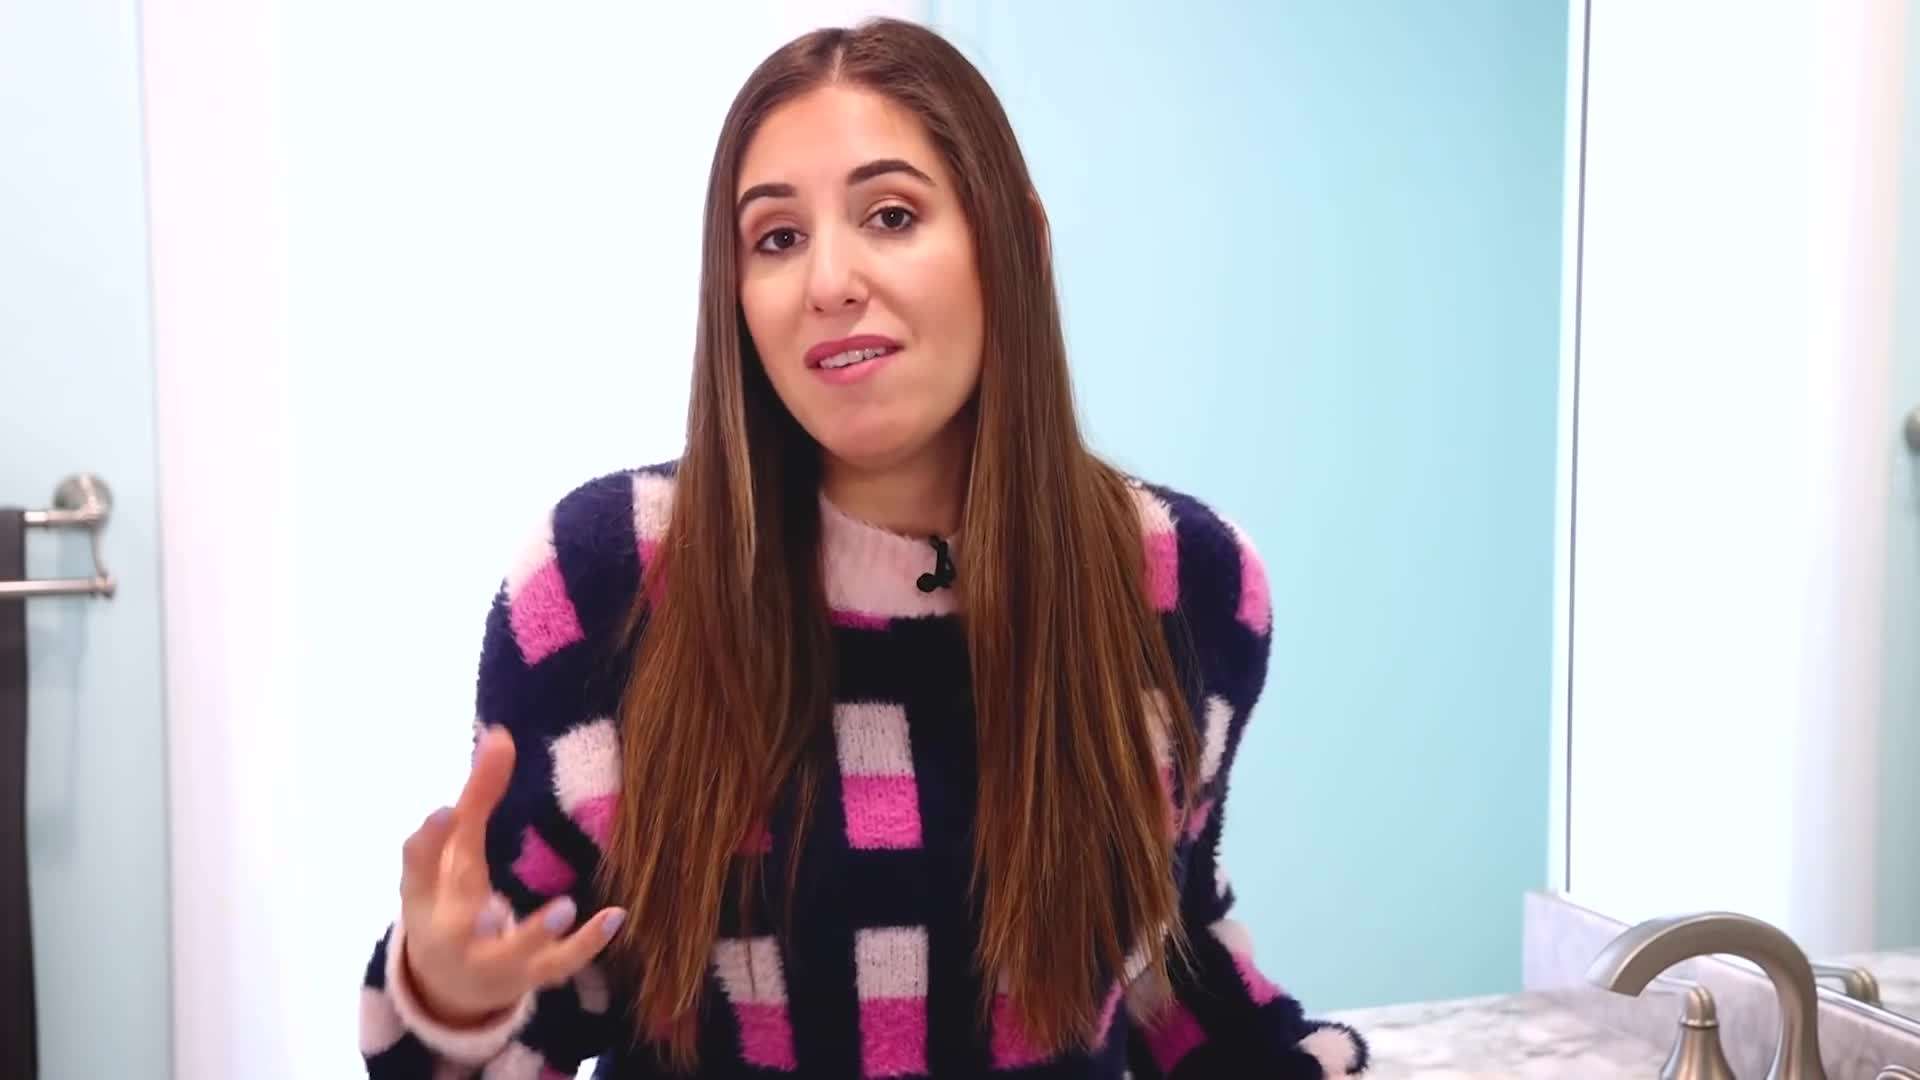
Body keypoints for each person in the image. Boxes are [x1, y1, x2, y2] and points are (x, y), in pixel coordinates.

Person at [358, 17, 1368, 1079]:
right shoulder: (605, 580)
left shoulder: (1188, 587)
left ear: (1018, 243)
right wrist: (449, 995)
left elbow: (1172, 966)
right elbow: (539, 976)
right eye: (776, 239)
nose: (828, 282)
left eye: (891, 215)